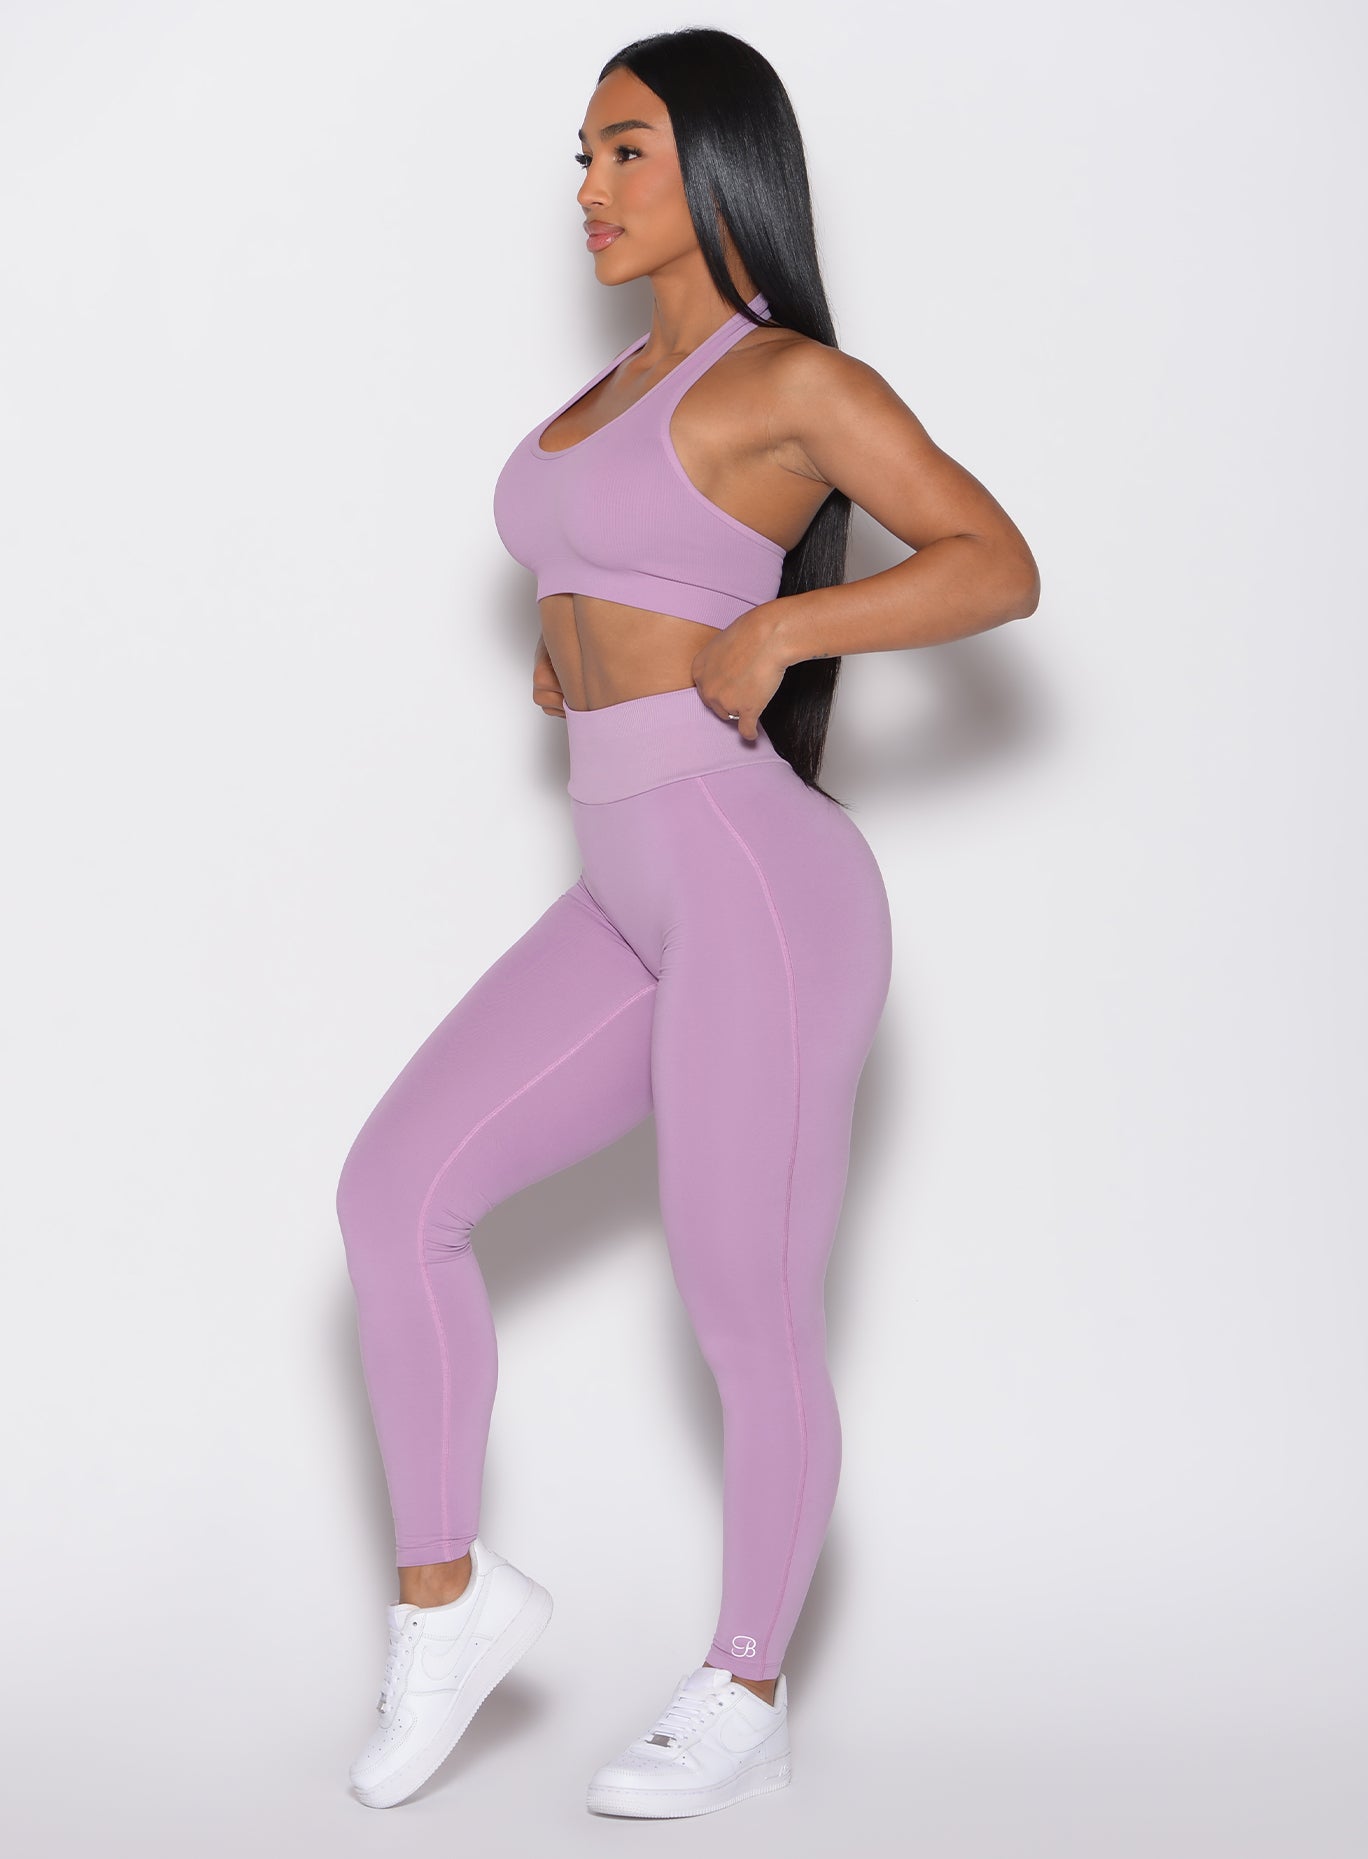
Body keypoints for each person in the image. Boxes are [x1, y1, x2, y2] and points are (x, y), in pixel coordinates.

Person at [334, 25, 1039, 1820]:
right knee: (394, 1195)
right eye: (581, 156)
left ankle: (745, 1685)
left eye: (626, 150)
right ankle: (447, 1607)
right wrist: (571, 654)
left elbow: (995, 562)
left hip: (757, 891)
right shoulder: (604, 392)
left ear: (718, 162)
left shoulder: (792, 380)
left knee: (745, 1300)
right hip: (622, 888)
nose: (588, 187)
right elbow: (607, 563)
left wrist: (786, 630)